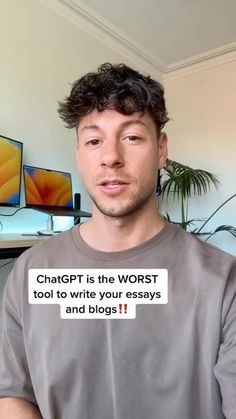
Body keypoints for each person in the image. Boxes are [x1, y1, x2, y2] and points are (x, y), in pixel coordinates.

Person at [0, 63, 235, 419]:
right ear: (79, 154)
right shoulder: (29, 271)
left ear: (161, 150)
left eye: (132, 137)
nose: (111, 157)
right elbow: (13, 394)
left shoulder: (223, 282)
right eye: (94, 140)